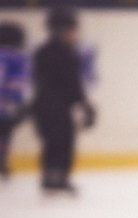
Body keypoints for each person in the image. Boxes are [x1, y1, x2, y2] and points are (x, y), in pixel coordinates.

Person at [30, 6, 95, 196]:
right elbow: (68, 84)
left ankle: (55, 177)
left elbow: (71, 84)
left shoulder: (57, 52)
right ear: (60, 30)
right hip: (50, 106)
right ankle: (54, 177)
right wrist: (83, 103)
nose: (75, 34)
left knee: (61, 140)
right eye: (72, 30)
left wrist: (84, 104)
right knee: (59, 140)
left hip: (52, 105)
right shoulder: (57, 53)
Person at [0, 20, 29, 180]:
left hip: (5, 104)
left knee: (5, 133)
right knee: (6, 134)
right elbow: (17, 85)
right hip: (7, 105)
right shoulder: (16, 57)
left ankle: (3, 160)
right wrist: (18, 102)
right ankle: (3, 160)